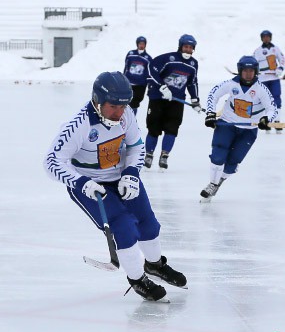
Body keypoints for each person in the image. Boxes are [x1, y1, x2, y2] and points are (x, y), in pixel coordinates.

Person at [43, 71, 187, 301]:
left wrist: (131, 173)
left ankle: (155, 265)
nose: (119, 113)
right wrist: (82, 183)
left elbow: (136, 146)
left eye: (123, 106)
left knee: (147, 222)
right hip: (90, 185)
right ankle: (137, 279)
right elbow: (51, 162)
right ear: (97, 100)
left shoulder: (126, 113)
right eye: (113, 107)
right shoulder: (78, 125)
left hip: (121, 177)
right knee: (124, 226)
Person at [200, 56, 277, 202]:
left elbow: (272, 108)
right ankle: (212, 184)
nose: (248, 74)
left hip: (248, 130)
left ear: (256, 72)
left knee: (232, 163)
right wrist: (210, 113)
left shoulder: (261, 89)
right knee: (218, 155)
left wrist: (267, 119)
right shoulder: (231, 84)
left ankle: (219, 181)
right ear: (240, 71)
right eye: (245, 71)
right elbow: (213, 94)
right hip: (227, 124)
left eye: (251, 71)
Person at [144, 34, 202, 169]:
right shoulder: (169, 58)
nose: (188, 50)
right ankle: (149, 154)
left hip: (177, 100)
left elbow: (192, 82)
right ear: (180, 46)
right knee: (154, 128)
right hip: (158, 98)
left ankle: (164, 155)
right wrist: (162, 87)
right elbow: (151, 68)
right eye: (186, 47)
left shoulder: (193, 64)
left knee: (172, 129)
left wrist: (195, 99)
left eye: (191, 48)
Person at [253, 30, 285, 133]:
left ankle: (277, 121)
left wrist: (280, 69)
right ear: (261, 38)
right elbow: (253, 63)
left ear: (270, 38)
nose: (266, 38)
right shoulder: (257, 51)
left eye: (268, 37)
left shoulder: (275, 49)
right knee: (264, 100)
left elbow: (282, 60)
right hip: (263, 80)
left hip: (274, 79)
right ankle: (266, 121)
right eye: (264, 37)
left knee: (276, 98)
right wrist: (255, 72)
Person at [123, 36, 153, 116]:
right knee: (126, 101)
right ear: (137, 44)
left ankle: (132, 119)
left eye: (143, 44)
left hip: (140, 85)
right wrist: (123, 78)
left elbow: (149, 73)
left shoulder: (148, 58)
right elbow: (126, 67)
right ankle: (123, 119)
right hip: (129, 83)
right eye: (140, 43)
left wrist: (149, 84)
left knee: (135, 102)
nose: (141, 45)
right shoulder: (130, 54)